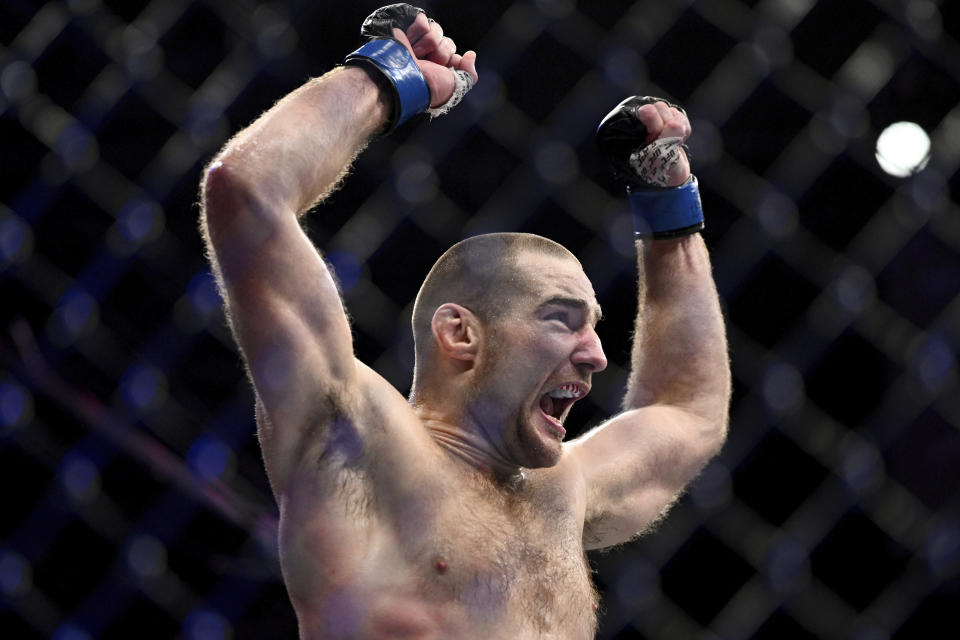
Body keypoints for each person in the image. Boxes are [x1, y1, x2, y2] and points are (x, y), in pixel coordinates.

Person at [199, 5, 730, 639]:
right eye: (562, 321)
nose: (595, 355)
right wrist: (387, 76)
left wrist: (667, 205)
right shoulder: (358, 441)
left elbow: (687, 410)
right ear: (460, 335)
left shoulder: (561, 492)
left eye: (592, 327)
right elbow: (247, 191)